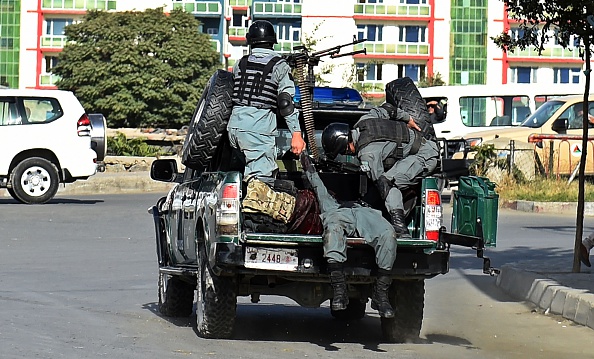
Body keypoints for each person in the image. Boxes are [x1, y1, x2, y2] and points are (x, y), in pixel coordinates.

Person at [299, 153, 397, 318]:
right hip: (337, 212)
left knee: (388, 234)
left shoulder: (366, 194)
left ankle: (381, 294)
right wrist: (306, 162)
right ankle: (339, 289)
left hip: (367, 212)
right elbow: (316, 184)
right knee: (333, 230)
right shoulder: (327, 200)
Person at [321, 104, 439, 237]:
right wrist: (408, 119)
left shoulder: (367, 154)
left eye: (342, 151)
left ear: (344, 145)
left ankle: (400, 227)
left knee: (387, 183)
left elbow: (383, 185)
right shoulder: (364, 120)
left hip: (425, 157)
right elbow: (388, 109)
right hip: (424, 145)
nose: (346, 153)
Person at [227, 20, 306, 187]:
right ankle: (254, 213)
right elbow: (285, 102)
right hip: (257, 130)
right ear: (272, 41)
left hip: (234, 128)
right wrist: (297, 134)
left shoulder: (240, 62)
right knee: (261, 185)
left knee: (243, 177)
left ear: (250, 40)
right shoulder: (280, 65)